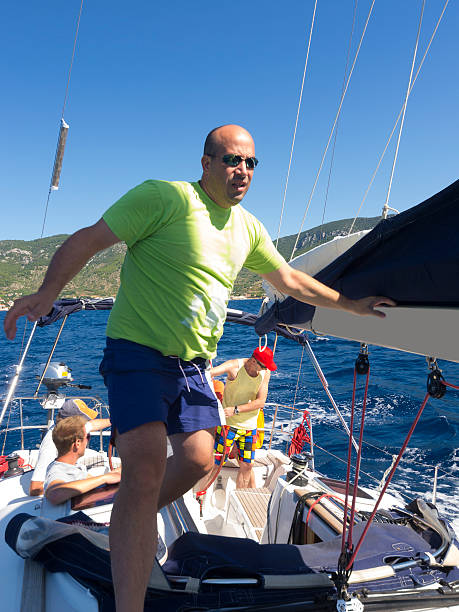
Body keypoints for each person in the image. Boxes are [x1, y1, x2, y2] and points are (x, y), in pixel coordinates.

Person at [4, 124, 394, 611]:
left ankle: (131, 514)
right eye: (233, 160)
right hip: (137, 351)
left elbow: (291, 279)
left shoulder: (247, 227)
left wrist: (352, 306)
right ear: (206, 162)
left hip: (192, 367)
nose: (243, 172)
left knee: (199, 459)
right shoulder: (164, 198)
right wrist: (47, 293)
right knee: (144, 464)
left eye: (251, 163)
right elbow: (88, 240)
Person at [211, 346, 276, 488]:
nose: (265, 369)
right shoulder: (234, 366)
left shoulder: (266, 373)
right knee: (216, 462)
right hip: (228, 425)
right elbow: (208, 373)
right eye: (263, 366)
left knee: (247, 465)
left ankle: (240, 498)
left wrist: (236, 410)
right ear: (253, 361)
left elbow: (260, 402)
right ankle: (201, 493)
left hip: (249, 428)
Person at [29, 398, 111, 496]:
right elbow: (35, 488)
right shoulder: (50, 447)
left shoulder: (71, 430)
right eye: (84, 422)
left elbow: (92, 425)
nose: (86, 427)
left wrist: (116, 420)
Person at [44, 415, 121, 505]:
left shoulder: (68, 465)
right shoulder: (58, 471)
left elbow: (91, 425)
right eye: (87, 437)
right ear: (77, 443)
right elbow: (54, 494)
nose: (88, 441)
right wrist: (104, 478)